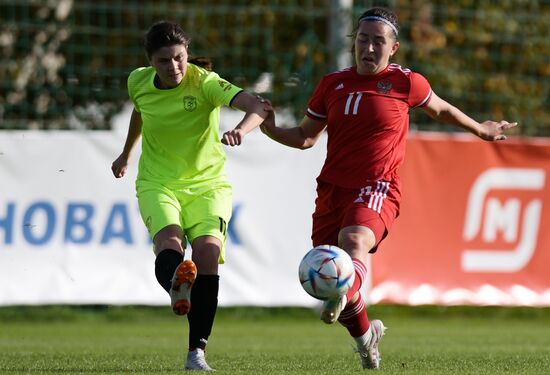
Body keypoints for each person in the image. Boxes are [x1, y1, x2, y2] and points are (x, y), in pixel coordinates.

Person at [260, 7, 517, 370]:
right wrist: (270, 128)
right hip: (333, 189)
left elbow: (441, 110)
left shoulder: (406, 83)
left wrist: (480, 128)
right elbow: (305, 137)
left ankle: (343, 294)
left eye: (378, 41)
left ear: (393, 48)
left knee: (353, 245)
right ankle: (366, 339)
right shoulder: (332, 84)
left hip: (379, 185)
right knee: (334, 273)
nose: (368, 48)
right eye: (362, 40)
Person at [111, 21, 269, 371]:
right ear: (150, 62)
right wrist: (126, 154)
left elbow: (258, 106)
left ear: (188, 53)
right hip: (158, 181)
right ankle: (177, 283)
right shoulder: (137, 81)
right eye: (164, 61)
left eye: (180, 58)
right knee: (169, 243)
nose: (174, 67)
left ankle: (196, 352)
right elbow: (141, 112)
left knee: (208, 255)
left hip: (208, 185)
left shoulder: (205, 83)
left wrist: (240, 129)